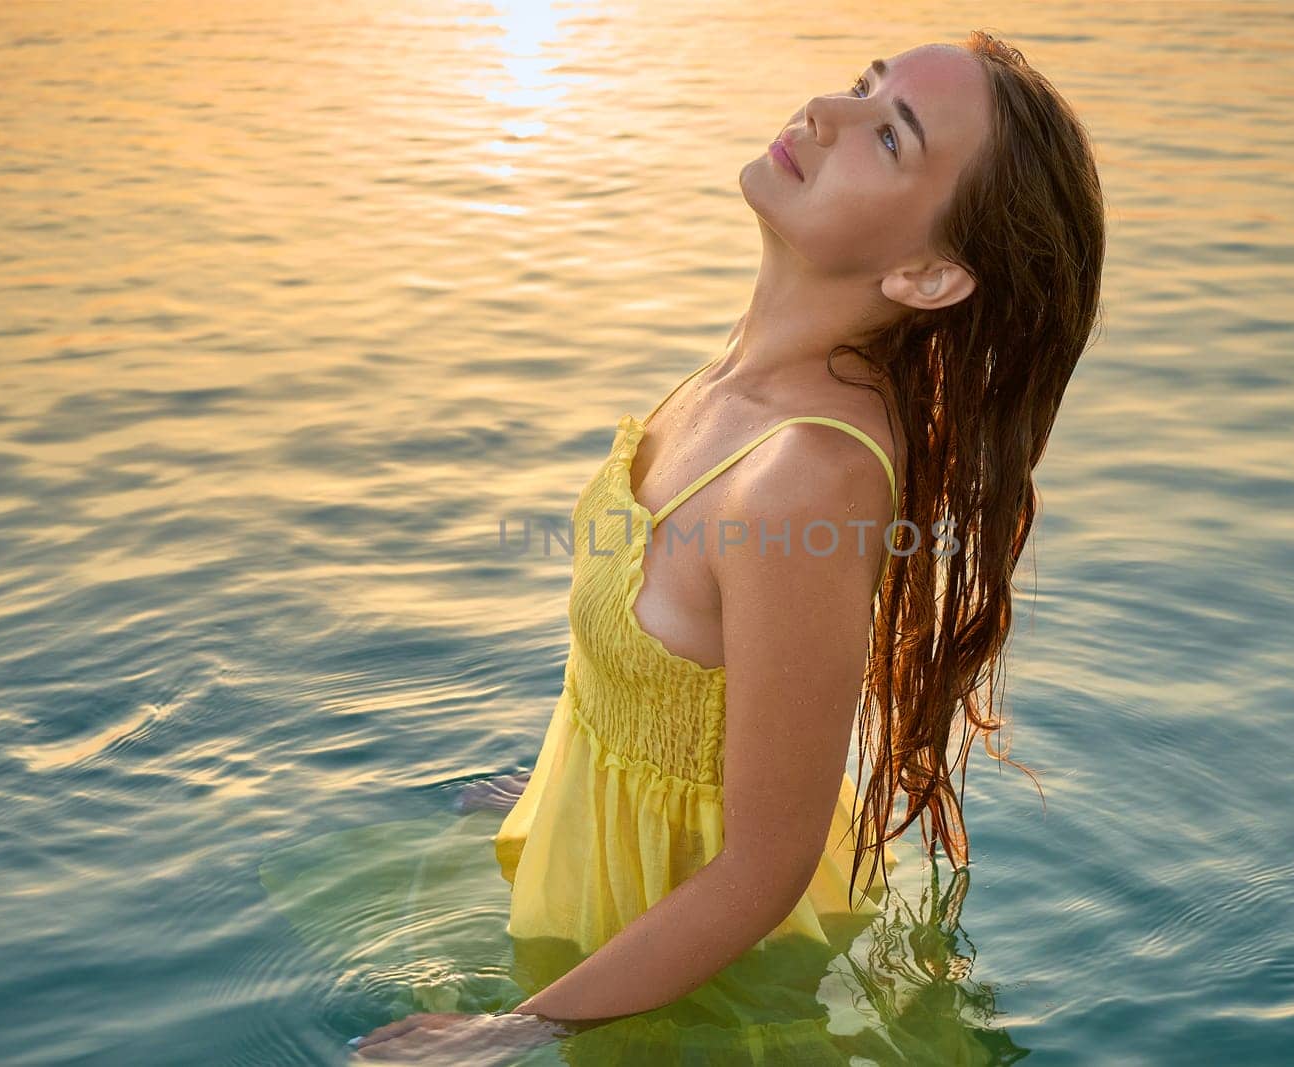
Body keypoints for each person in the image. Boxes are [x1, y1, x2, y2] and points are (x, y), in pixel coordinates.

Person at [350, 29, 1105, 1061]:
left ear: (928, 276)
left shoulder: (808, 471)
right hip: (596, 854)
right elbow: (672, 667)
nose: (824, 114)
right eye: (857, 87)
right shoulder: (735, 382)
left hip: (689, 939)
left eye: (888, 137)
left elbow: (765, 864)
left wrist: (504, 1033)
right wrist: (553, 783)